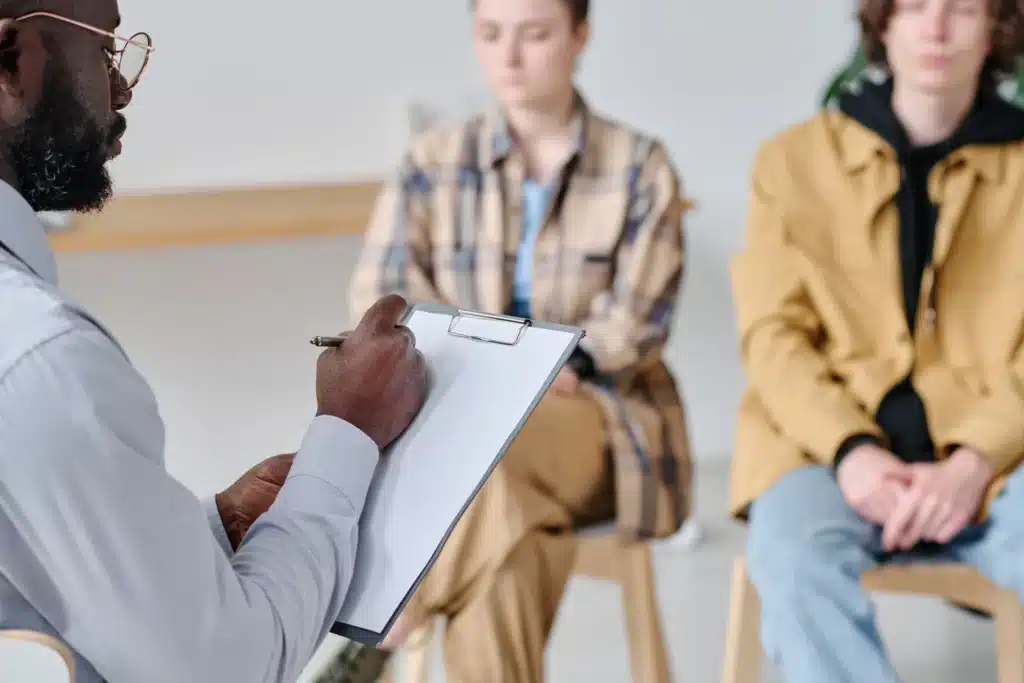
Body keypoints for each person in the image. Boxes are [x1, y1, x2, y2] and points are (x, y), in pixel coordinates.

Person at [0, 0, 426, 681]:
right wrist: (350, 428)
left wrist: (207, 528)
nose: (122, 86)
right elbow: (227, 666)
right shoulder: (39, 356)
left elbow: (28, 588)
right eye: (105, 46)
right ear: (11, 59)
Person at [319, 0, 693, 681]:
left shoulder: (640, 165)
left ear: (581, 34)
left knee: (492, 457)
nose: (510, 57)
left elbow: (639, 320)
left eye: (536, 34)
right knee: (509, 528)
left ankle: (385, 613)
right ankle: (389, 619)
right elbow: (381, 300)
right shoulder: (430, 162)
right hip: (474, 436)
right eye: (491, 35)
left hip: (597, 424)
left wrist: (561, 362)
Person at [730, 0, 1024, 681]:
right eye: (915, 6)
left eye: (964, 9)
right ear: (882, 22)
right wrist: (854, 453)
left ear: (996, 28)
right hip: (823, 452)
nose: (937, 29)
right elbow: (774, 338)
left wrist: (975, 460)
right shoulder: (790, 162)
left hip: (1000, 460)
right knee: (796, 559)